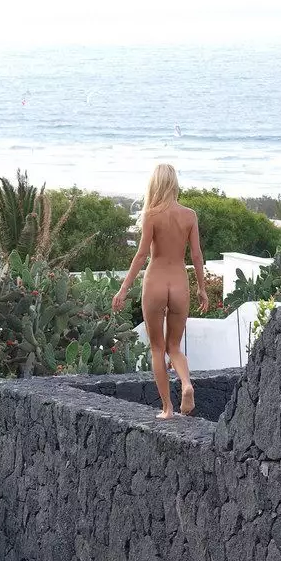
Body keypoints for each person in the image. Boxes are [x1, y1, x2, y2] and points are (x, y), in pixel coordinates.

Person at [112, 163, 208, 419]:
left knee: (157, 348)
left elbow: (141, 255)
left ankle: (167, 408)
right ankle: (186, 384)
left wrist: (123, 289)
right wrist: (202, 288)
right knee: (174, 347)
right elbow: (196, 255)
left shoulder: (151, 215)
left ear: (154, 184)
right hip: (179, 283)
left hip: (155, 282)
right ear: (174, 184)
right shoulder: (190, 215)